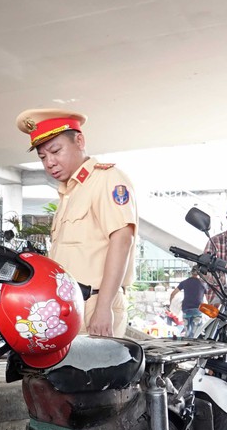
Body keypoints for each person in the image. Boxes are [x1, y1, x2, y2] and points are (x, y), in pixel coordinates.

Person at [15, 108, 137, 337]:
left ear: (79, 140)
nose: (49, 162)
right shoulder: (69, 193)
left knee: (96, 372)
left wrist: (104, 308)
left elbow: (122, 241)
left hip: (96, 303)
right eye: (42, 157)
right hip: (67, 307)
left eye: (55, 151)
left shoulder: (107, 179)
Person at [170, 267, 207, 337]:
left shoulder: (184, 282)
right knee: (196, 334)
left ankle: (188, 346)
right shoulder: (203, 284)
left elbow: (173, 294)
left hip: (186, 310)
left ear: (191, 272)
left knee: (187, 332)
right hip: (197, 310)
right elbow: (207, 298)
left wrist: (171, 304)